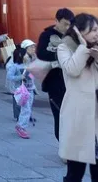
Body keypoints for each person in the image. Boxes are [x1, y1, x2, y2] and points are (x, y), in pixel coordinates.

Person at [57, 13, 98, 181]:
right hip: (78, 115)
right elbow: (72, 70)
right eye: (93, 30)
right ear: (80, 31)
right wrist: (83, 48)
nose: (96, 33)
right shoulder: (64, 47)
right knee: (75, 173)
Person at [37, 7, 74, 141]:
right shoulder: (46, 35)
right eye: (65, 24)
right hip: (55, 82)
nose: (67, 27)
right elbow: (41, 54)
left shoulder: (74, 35)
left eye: (70, 24)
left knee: (74, 116)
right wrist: (61, 54)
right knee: (59, 115)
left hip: (72, 81)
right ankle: (63, 145)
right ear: (56, 21)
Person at [6, 46, 35, 139]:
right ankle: (21, 127)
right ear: (20, 55)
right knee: (26, 109)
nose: (27, 55)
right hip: (22, 91)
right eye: (25, 54)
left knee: (27, 109)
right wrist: (20, 77)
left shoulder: (28, 65)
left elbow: (32, 76)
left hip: (30, 89)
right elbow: (9, 76)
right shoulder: (15, 66)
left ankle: (21, 125)